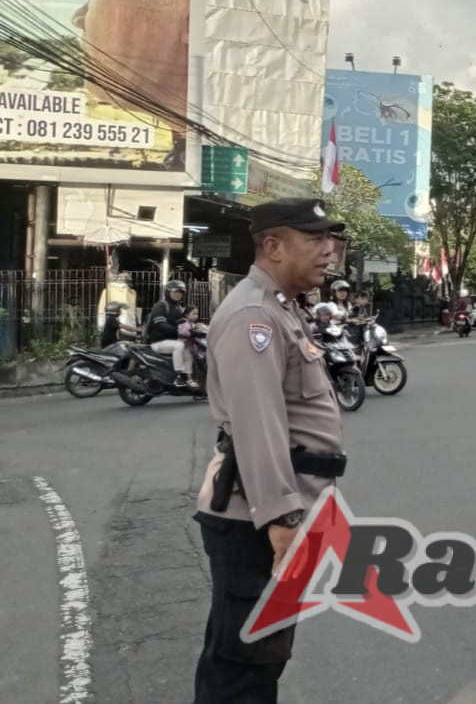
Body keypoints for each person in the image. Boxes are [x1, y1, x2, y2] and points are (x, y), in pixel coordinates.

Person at [192, 197, 347, 704]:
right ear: (274, 246)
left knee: (259, 654)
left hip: (273, 510)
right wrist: (282, 522)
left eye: (330, 240)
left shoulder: (278, 307)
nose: (330, 252)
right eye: (315, 240)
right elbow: (258, 425)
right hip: (257, 519)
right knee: (245, 661)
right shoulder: (254, 316)